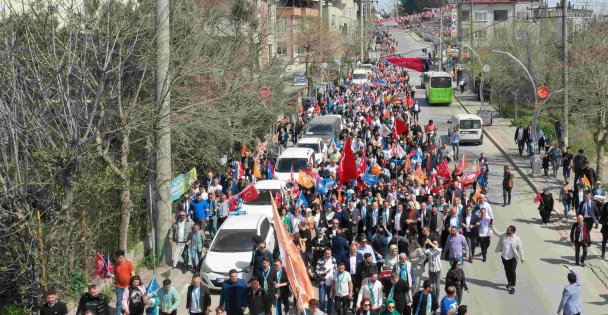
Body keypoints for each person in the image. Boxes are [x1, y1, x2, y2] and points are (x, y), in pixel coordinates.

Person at [492, 225, 525, 294]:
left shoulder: (517, 239)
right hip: (504, 257)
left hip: (512, 258)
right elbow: (497, 233)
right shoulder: (503, 235)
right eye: (507, 229)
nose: (506, 230)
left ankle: (513, 286)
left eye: (508, 229)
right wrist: (492, 227)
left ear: (512, 232)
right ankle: (509, 282)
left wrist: (522, 258)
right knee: (507, 271)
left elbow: (520, 249)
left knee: (512, 272)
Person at [113, 250, 135, 315]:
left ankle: (128, 312)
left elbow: (133, 274)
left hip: (128, 286)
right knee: (119, 301)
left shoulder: (129, 263)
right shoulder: (116, 265)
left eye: (120, 258)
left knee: (128, 301)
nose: (119, 260)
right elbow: (115, 275)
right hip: (119, 286)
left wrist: (133, 284)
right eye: (118, 258)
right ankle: (118, 313)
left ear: (123, 257)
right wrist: (111, 275)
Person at [316, 247, 337, 313]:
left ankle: (329, 313)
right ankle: (322, 313)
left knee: (330, 299)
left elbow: (335, 270)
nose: (329, 255)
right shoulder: (320, 260)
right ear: (324, 253)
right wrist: (323, 273)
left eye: (330, 253)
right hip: (323, 283)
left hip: (331, 283)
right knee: (321, 300)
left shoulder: (333, 259)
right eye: (327, 254)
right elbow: (316, 272)